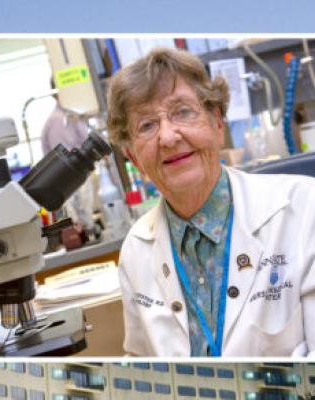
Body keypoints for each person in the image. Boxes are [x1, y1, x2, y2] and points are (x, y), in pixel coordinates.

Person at [106, 47, 315, 356]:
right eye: (147, 125)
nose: (168, 137)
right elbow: (142, 364)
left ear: (218, 123)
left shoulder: (304, 208)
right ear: (134, 158)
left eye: (182, 112)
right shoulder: (136, 250)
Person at [41, 92, 96, 238]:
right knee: (77, 222)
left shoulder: (72, 116)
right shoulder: (57, 122)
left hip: (75, 179)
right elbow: (61, 171)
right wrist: (75, 220)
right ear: (57, 93)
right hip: (72, 181)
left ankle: (83, 229)